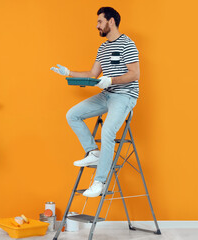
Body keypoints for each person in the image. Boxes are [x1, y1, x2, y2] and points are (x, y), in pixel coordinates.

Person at [51, 7, 140, 198]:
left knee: (108, 131)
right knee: (72, 115)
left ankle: (99, 182)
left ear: (111, 22)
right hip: (107, 94)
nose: (97, 25)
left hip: (124, 95)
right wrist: (68, 73)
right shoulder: (103, 47)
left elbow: (135, 74)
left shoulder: (127, 44)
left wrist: (112, 80)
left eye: (100, 21)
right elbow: (93, 74)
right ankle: (93, 151)